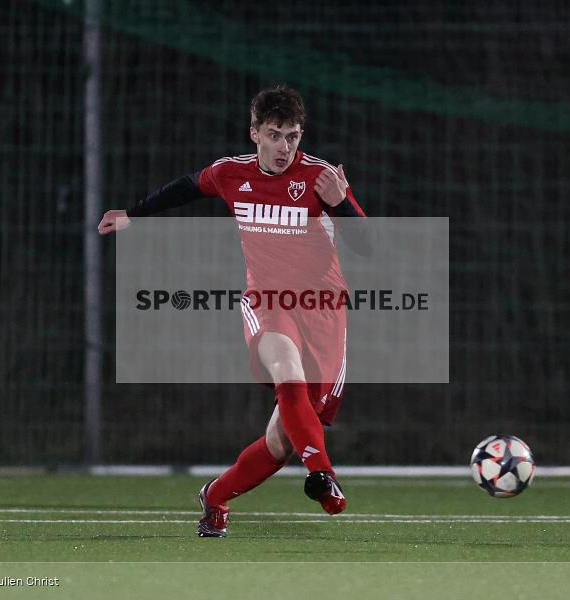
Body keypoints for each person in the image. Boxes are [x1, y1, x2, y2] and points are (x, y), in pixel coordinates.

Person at [98, 86, 370, 538]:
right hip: (266, 301)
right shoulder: (231, 173)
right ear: (254, 133)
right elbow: (188, 186)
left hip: (322, 309)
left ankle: (215, 496)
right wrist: (134, 214)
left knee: (280, 441)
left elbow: (366, 244)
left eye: (293, 136)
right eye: (275, 134)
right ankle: (323, 473)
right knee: (286, 369)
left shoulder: (320, 177)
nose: (284, 147)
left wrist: (341, 200)